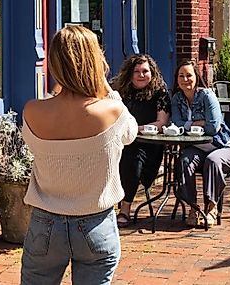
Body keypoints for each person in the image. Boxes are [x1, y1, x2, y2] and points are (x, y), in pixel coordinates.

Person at [20, 25, 137, 284]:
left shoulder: (32, 111)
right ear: (95, 62)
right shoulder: (112, 111)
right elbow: (130, 133)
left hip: (45, 225)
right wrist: (106, 88)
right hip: (96, 223)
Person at [171, 60, 230, 227]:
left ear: (196, 77)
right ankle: (193, 208)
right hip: (197, 148)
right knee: (184, 161)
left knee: (213, 161)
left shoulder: (207, 96)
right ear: (176, 79)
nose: (185, 79)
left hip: (223, 146)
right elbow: (176, 123)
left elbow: (213, 127)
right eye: (181, 76)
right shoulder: (177, 98)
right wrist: (199, 123)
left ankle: (212, 207)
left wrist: (188, 125)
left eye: (189, 75)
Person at [111, 54, 171, 228]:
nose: (141, 75)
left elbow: (161, 123)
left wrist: (134, 129)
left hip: (148, 145)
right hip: (121, 141)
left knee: (133, 159)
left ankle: (125, 209)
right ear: (130, 74)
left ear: (152, 72)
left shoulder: (160, 93)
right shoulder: (121, 92)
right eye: (136, 71)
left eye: (145, 71)